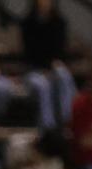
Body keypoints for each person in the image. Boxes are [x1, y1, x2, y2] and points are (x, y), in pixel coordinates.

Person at [19, 0, 75, 135]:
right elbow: (29, 54)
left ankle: (67, 120)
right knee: (43, 85)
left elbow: (59, 52)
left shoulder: (59, 22)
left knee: (63, 74)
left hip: (53, 69)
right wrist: (45, 69)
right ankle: (47, 129)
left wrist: (52, 68)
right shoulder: (27, 23)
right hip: (33, 70)